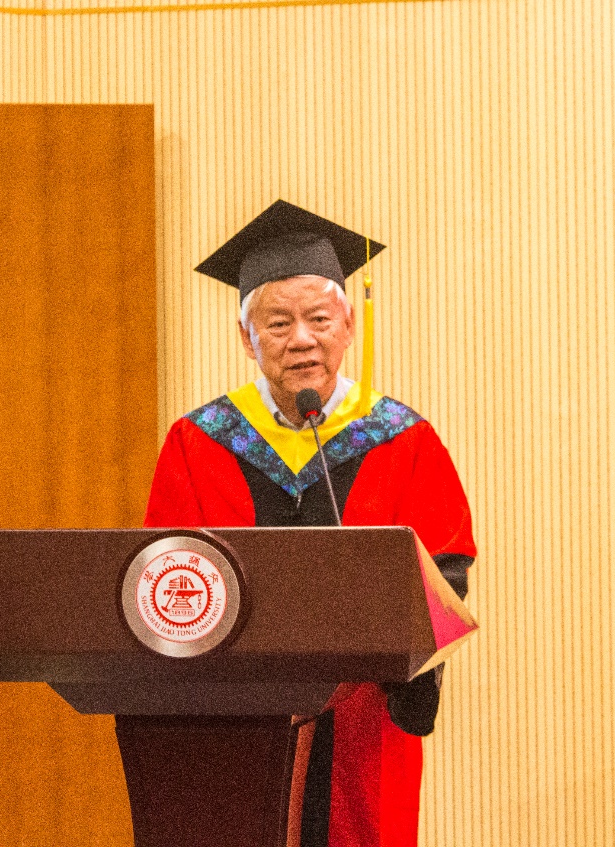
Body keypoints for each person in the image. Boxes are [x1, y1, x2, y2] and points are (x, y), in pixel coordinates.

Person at [143, 200, 477, 847]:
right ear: (248, 339)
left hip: (362, 723)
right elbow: (168, 576)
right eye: (278, 322)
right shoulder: (199, 442)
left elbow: (446, 574)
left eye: (319, 318)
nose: (301, 339)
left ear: (347, 325)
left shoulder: (402, 439)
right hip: (236, 721)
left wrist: (413, 680)